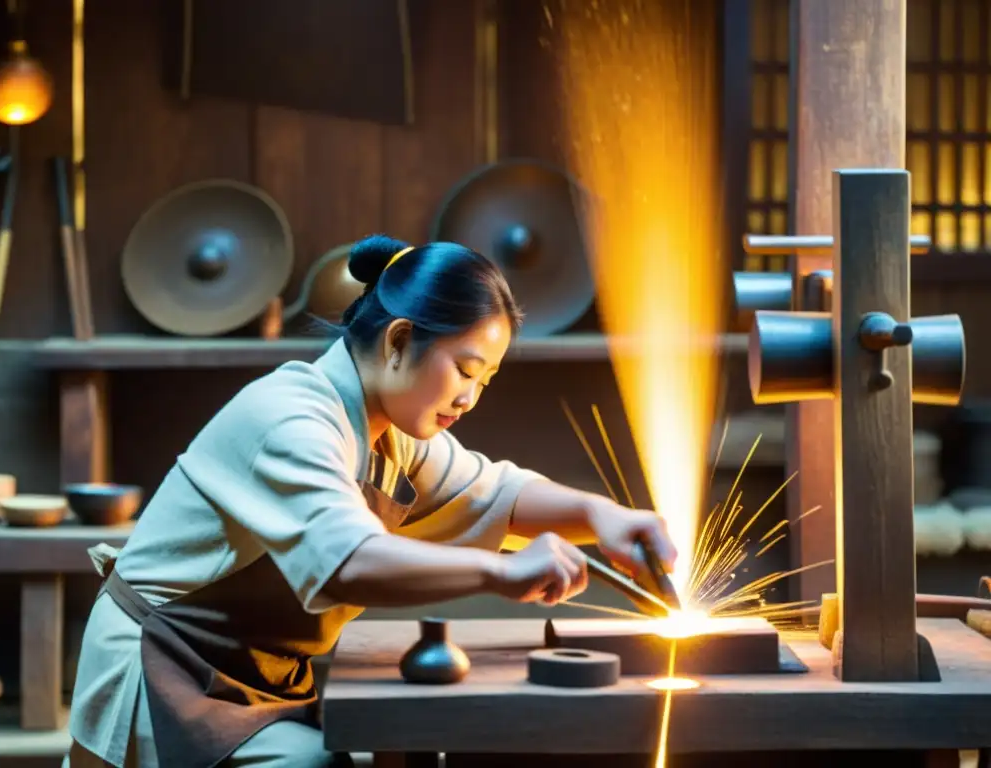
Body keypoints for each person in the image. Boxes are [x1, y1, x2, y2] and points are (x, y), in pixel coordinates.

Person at [64, 234, 677, 768]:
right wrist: (501, 569)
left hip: (253, 673)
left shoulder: (392, 431)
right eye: (465, 370)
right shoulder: (292, 417)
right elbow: (348, 560)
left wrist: (603, 515)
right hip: (164, 664)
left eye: (485, 381)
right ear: (400, 340)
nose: (471, 398)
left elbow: (499, 492)